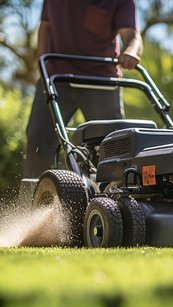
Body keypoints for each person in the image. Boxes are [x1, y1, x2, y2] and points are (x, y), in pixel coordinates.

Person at [24, 0, 143, 178]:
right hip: (56, 75)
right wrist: (43, 67)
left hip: (100, 79)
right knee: (38, 140)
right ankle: (33, 198)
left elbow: (132, 34)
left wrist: (132, 52)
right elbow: (46, 26)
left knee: (112, 145)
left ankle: (114, 199)